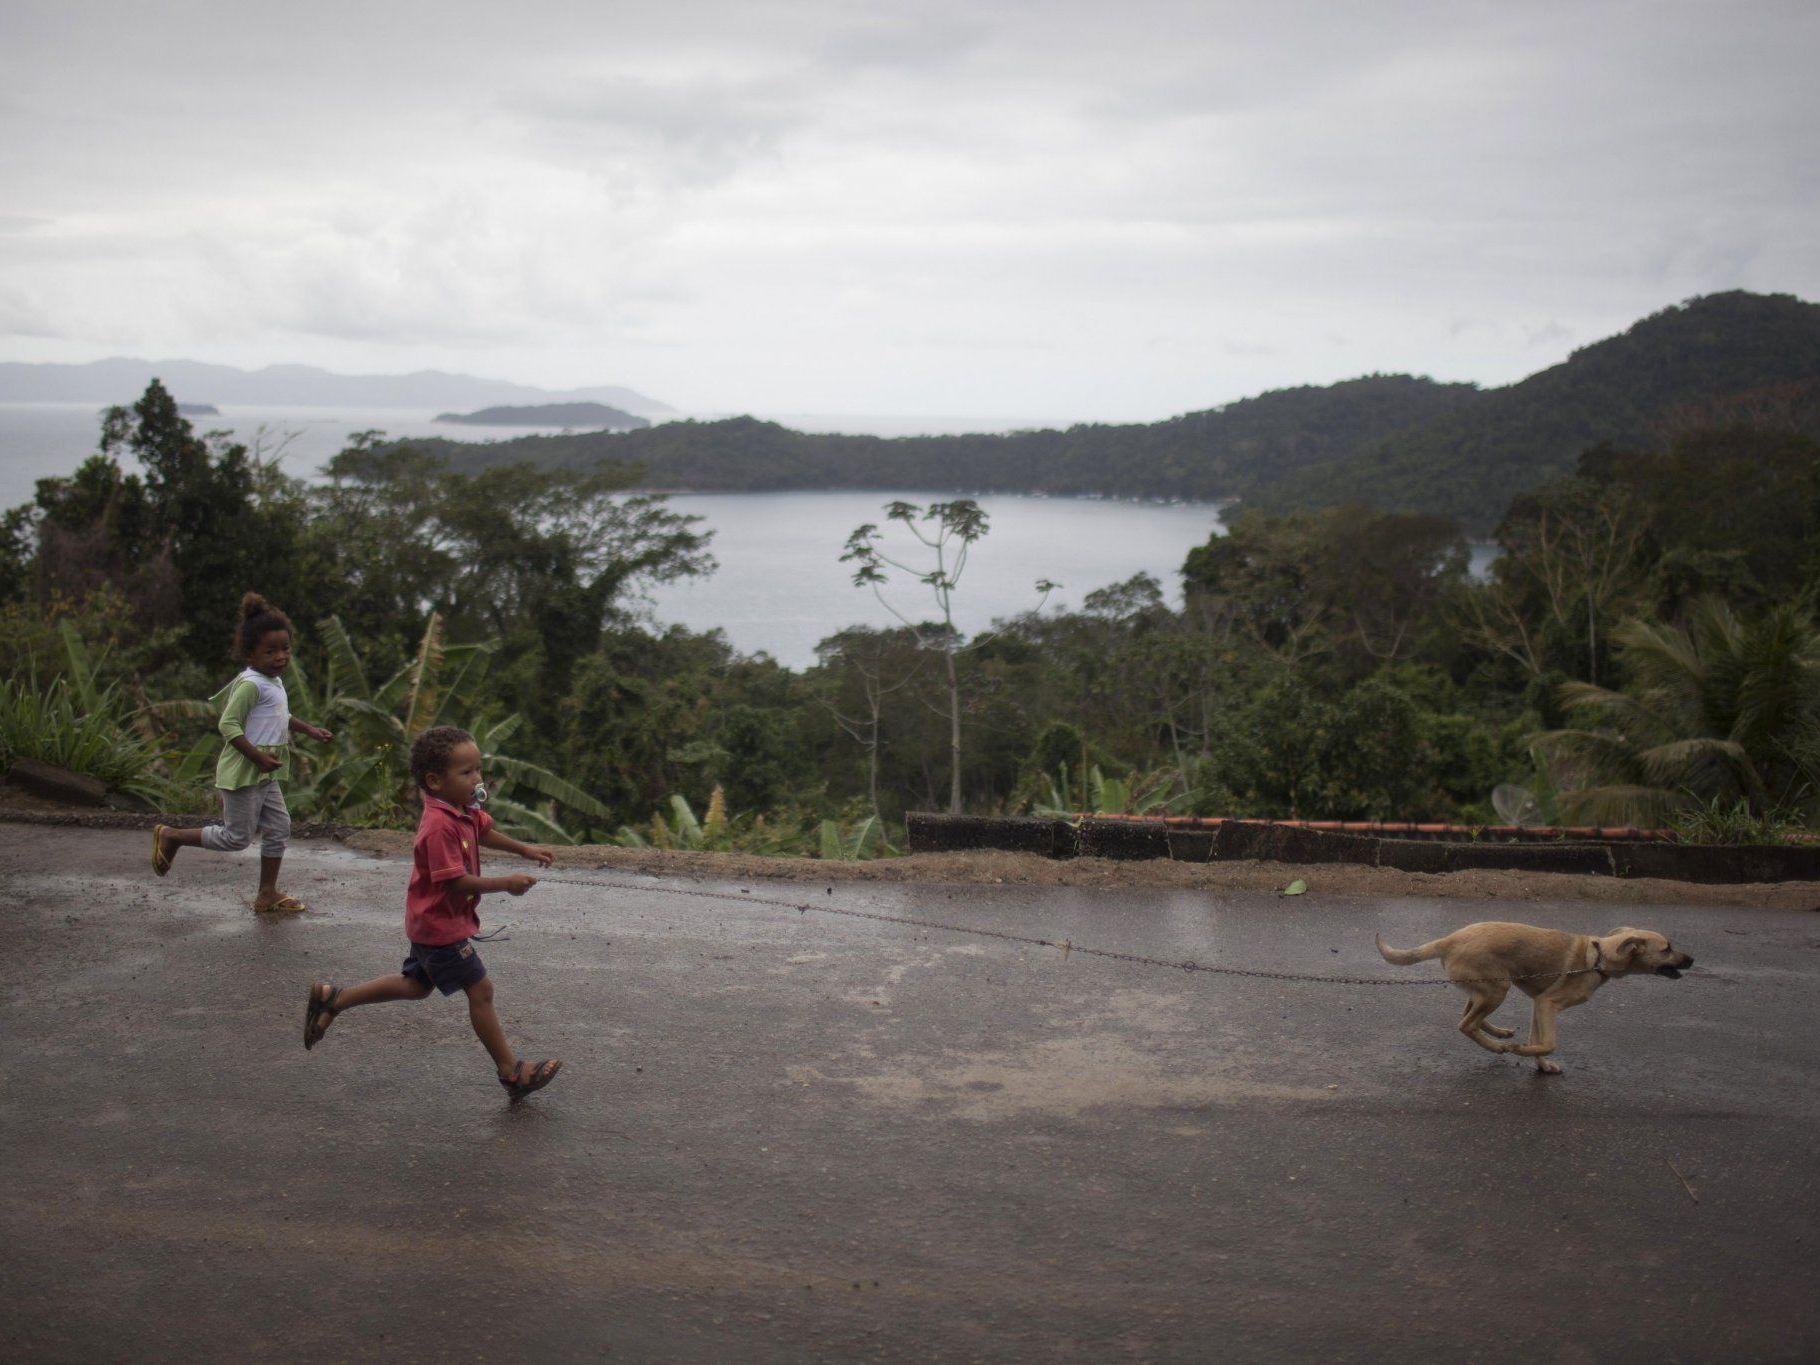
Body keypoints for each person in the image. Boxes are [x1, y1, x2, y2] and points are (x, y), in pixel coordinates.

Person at [301, 724, 563, 1100]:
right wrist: (506, 882)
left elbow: (483, 832)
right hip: (441, 927)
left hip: (434, 921)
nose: (477, 779)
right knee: (481, 990)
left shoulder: (462, 808)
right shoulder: (437, 826)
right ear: (435, 780)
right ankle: (512, 1071)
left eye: (477, 769)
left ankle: (334, 998)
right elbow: (454, 882)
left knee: (417, 986)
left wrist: (524, 850)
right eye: (467, 772)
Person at [151, 593, 332, 911]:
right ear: (250, 654)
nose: (281, 657)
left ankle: (267, 893)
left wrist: (309, 730)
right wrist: (257, 756)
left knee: (279, 828)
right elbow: (228, 725)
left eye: (285, 649)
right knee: (236, 838)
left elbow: (281, 716)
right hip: (245, 769)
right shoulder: (251, 684)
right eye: (270, 651)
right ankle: (173, 835)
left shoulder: (273, 681)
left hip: (266, 771)